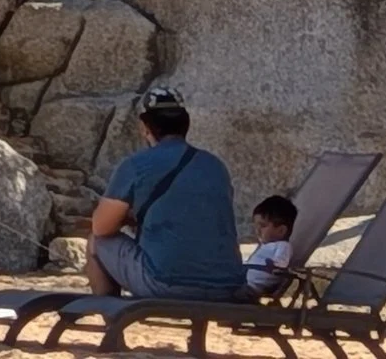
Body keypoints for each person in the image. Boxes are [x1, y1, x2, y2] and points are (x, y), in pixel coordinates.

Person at [86, 90, 246, 301]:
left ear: (145, 127)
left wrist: (129, 218)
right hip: (227, 285)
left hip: (164, 283)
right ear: (185, 124)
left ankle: (112, 323)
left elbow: (101, 227)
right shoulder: (216, 166)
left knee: (95, 241)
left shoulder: (136, 165)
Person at [245, 198, 299, 297]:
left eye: (263, 226)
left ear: (281, 231)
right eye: (256, 226)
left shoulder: (283, 246)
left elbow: (281, 263)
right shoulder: (265, 246)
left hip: (254, 287)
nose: (257, 230)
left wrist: (272, 264)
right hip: (245, 283)